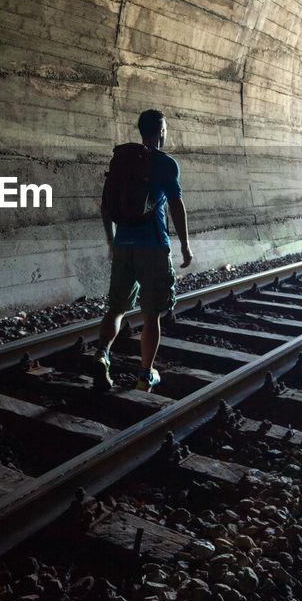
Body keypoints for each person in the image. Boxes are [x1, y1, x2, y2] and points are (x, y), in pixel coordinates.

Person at [93, 109, 192, 391]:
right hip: (153, 247)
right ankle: (145, 374)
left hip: (123, 245)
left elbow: (105, 208)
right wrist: (184, 244)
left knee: (116, 310)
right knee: (151, 314)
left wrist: (111, 242)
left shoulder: (122, 161)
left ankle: (102, 354)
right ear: (161, 130)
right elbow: (175, 205)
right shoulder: (164, 163)